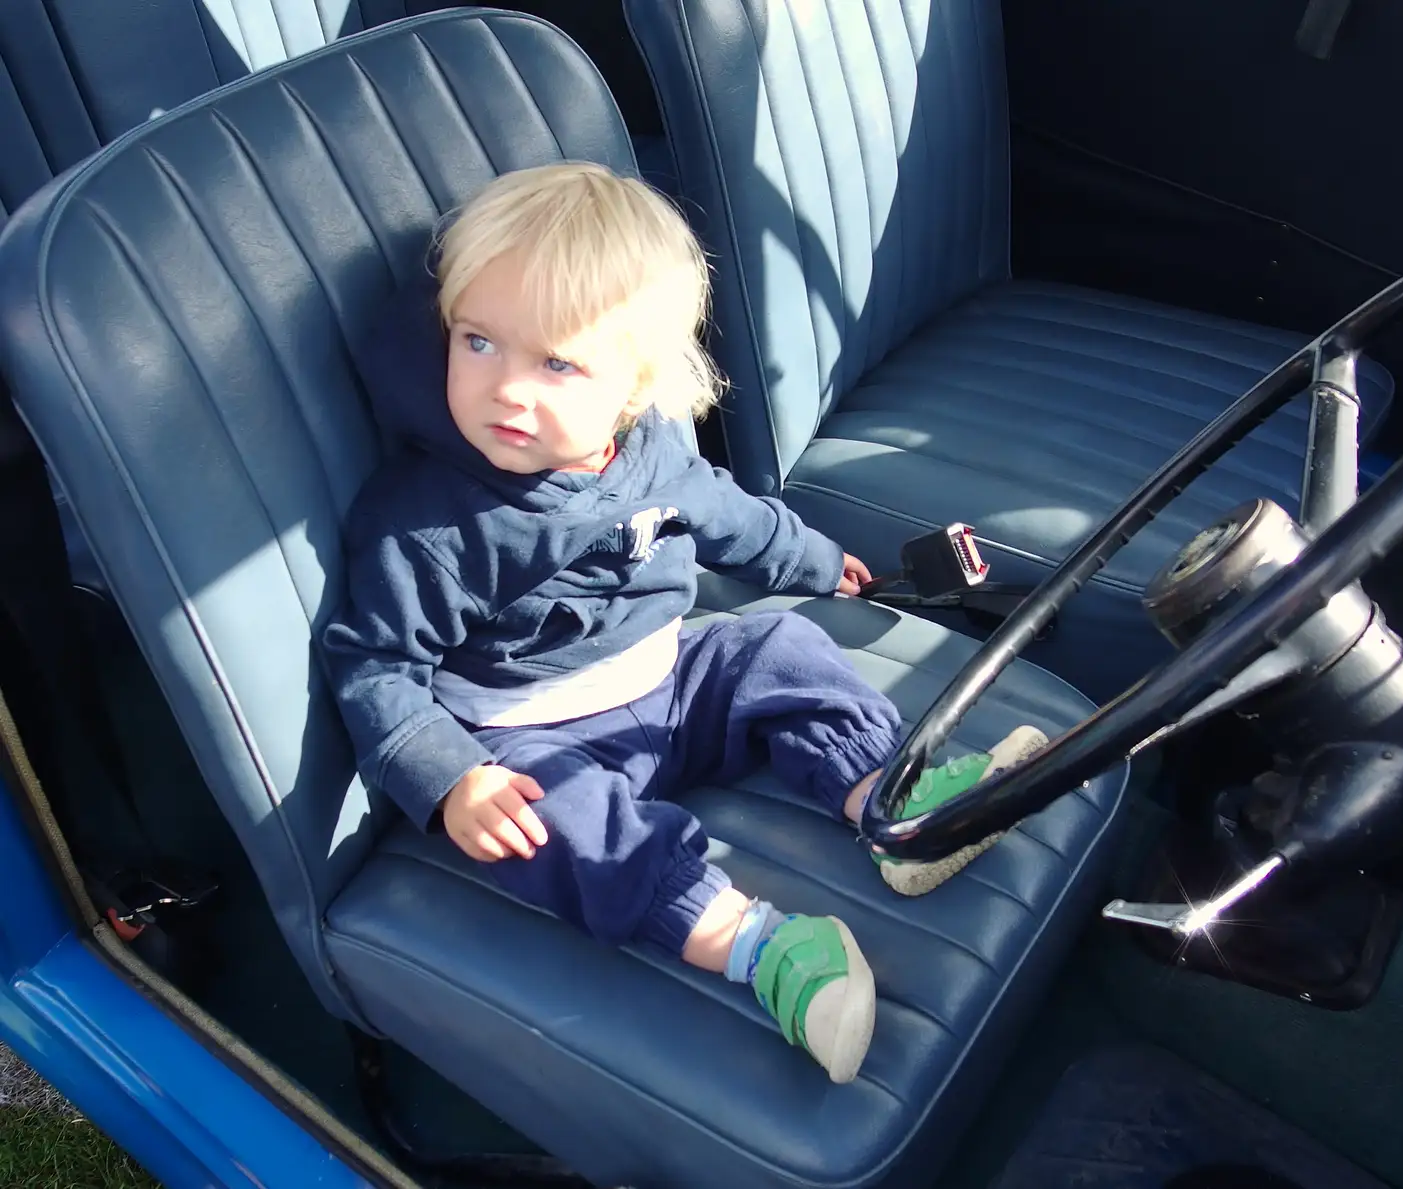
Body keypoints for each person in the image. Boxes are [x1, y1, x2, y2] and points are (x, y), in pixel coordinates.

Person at [322, 162, 1045, 1084]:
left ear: (638, 382)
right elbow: (375, 664)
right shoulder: (430, 523)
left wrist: (820, 564)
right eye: (477, 342)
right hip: (535, 734)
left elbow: (728, 512)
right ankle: (763, 947)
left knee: (777, 647)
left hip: (668, 681)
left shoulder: (655, 446)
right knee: (554, 828)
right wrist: (447, 774)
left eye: (556, 362)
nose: (507, 390)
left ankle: (893, 802)